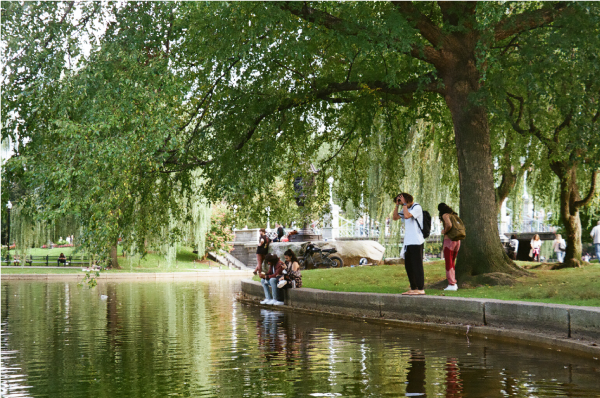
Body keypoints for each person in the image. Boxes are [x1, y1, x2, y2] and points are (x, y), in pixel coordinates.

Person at [392, 193, 425, 295]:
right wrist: (397, 205)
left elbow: (407, 216)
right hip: (408, 242)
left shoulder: (417, 207)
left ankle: (420, 288)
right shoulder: (405, 208)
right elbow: (395, 217)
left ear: (406, 200)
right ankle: (413, 287)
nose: (401, 204)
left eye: (401, 201)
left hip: (416, 241)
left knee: (417, 265)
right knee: (409, 266)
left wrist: (404, 204)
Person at [438, 203, 460, 291]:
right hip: (457, 240)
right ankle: (453, 282)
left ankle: (451, 284)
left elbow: (449, 225)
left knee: (448, 262)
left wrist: (444, 231)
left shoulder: (445, 215)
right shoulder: (454, 215)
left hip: (449, 241)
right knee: (452, 261)